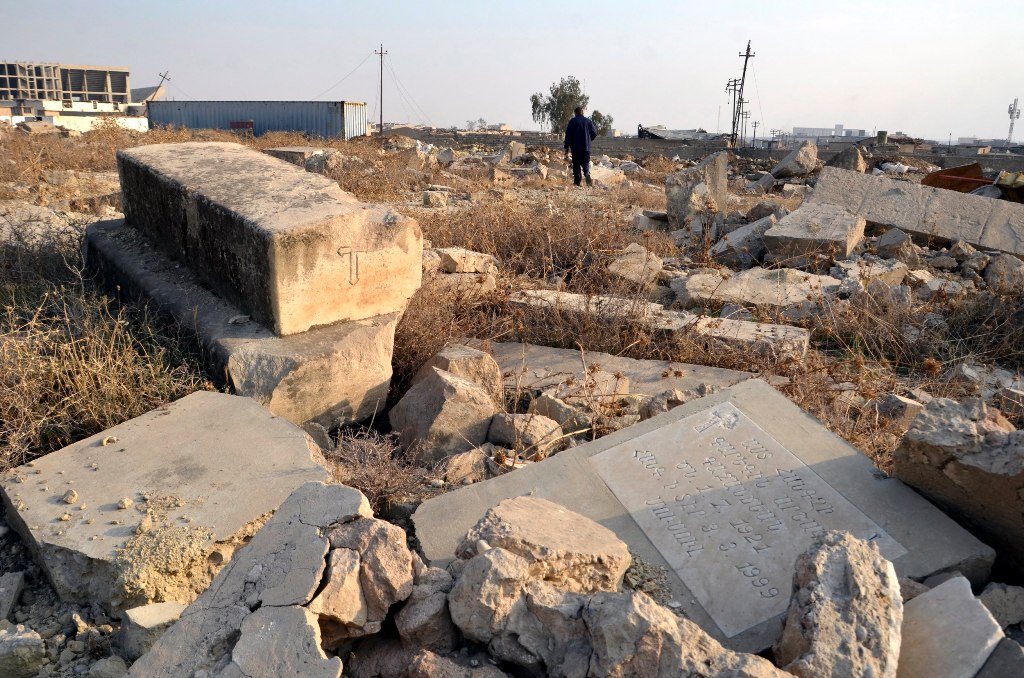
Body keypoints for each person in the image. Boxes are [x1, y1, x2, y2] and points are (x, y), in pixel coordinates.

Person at [563, 106, 598, 187]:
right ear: (582, 113)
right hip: (586, 148)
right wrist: (589, 139)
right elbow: (594, 133)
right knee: (585, 163)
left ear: (575, 113)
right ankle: (587, 174)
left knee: (576, 165)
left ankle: (577, 183)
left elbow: (568, 135)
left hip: (575, 148)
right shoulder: (588, 121)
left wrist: (566, 147)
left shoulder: (573, 121)